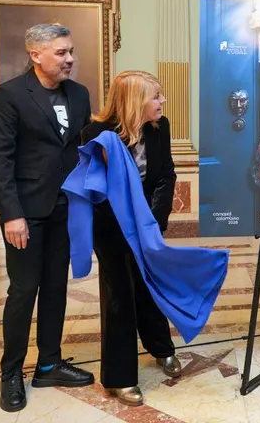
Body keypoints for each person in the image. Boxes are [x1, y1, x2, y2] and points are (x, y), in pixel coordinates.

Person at [0, 23, 95, 413]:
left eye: (70, 51)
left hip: (66, 209)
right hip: (26, 214)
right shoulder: (11, 95)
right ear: (36, 55)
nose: (70, 59)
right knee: (23, 291)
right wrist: (11, 214)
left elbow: (81, 148)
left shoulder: (79, 95)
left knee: (55, 288)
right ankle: (10, 372)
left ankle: (48, 362)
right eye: (62, 52)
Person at [79, 70, 182, 407]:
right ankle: (120, 378)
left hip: (147, 225)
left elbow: (165, 174)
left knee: (149, 287)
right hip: (110, 229)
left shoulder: (159, 127)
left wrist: (153, 221)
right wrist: (128, 224)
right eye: (156, 96)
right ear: (136, 101)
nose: (162, 102)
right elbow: (94, 188)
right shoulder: (96, 133)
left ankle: (162, 348)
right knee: (119, 296)